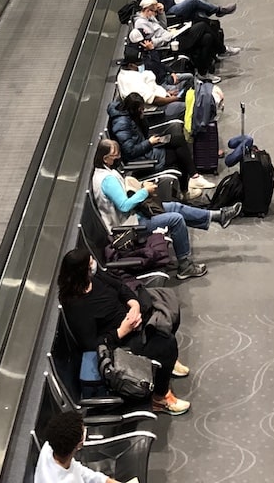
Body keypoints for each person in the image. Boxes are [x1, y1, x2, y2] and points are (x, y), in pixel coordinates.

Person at [57, 248, 190, 416]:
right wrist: (123, 330)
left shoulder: (95, 277)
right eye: (90, 263)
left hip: (132, 318)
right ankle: (160, 397)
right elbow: (91, 344)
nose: (94, 265)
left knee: (169, 305)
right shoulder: (76, 306)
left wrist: (133, 305)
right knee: (167, 344)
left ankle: (166, 362)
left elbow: (120, 287)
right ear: (81, 270)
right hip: (120, 341)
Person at [91, 139, 238, 280]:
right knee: (176, 219)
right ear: (105, 158)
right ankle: (185, 266)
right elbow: (124, 206)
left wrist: (141, 188)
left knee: (174, 207)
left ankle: (219, 215)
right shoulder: (107, 180)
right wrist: (144, 192)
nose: (119, 158)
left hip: (135, 214)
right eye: (115, 156)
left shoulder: (107, 172)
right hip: (129, 227)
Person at [34, 409, 126, 483]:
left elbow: (79, 471)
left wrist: (107, 481)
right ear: (78, 445)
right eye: (83, 432)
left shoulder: (49, 447)